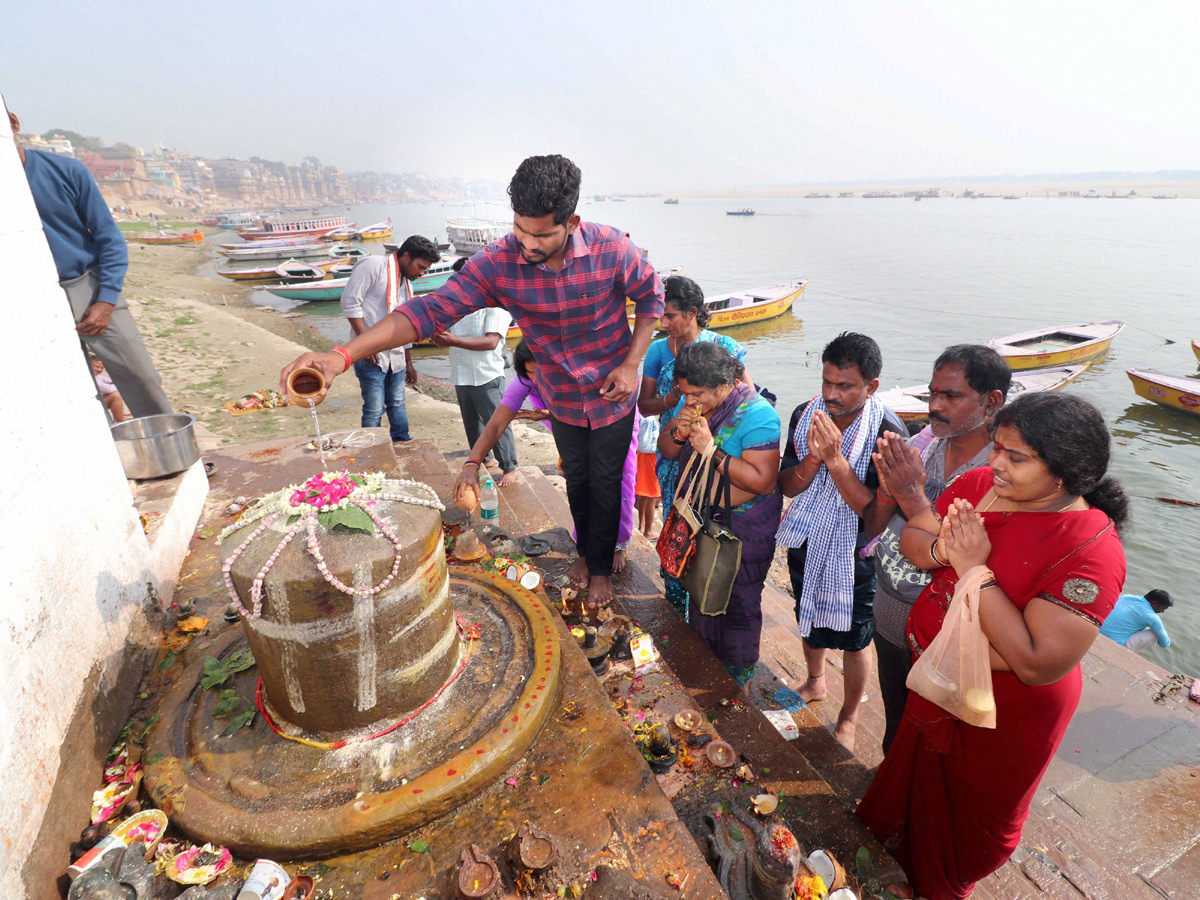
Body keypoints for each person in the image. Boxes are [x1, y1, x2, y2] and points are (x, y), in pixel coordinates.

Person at [281, 155, 664, 608]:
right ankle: (586, 554)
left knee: (606, 482)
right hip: (561, 397)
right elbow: (428, 312)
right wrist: (342, 356)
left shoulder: (613, 248)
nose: (527, 243)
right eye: (520, 229)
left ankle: (600, 568)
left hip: (612, 397)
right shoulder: (500, 262)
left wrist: (632, 363)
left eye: (541, 234)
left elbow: (651, 296)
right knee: (578, 481)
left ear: (572, 221)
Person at [857, 393, 1129, 900]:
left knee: (967, 825)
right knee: (912, 788)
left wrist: (972, 569)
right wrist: (944, 549)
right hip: (938, 678)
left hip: (1004, 714)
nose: (996, 463)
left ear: (1065, 473)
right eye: (997, 447)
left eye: (1016, 457)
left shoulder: (1090, 550)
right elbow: (918, 540)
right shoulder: (980, 485)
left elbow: (1035, 661)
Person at [869, 344, 1011, 752]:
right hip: (889, 612)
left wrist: (911, 494)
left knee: (933, 734)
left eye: (951, 396)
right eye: (932, 393)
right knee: (894, 719)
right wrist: (886, 490)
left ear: (992, 401)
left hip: (940, 631)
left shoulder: (998, 476)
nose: (935, 405)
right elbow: (874, 530)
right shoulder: (924, 447)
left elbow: (967, 558)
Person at [775, 332, 904, 751]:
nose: (832, 394)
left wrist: (834, 459)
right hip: (808, 533)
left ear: (871, 387)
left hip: (857, 550)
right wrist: (813, 457)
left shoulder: (887, 434)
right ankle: (815, 681)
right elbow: (788, 487)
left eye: (845, 386)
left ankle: (849, 716)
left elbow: (874, 516)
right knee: (807, 612)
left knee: (856, 636)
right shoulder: (805, 414)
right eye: (827, 382)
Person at [11, 110, 172, 418]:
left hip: (87, 286)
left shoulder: (66, 170)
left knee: (141, 379)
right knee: (70, 392)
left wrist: (106, 300)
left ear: (13, 123)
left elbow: (110, 239)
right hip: (26, 298)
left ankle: (178, 457)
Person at [657, 342, 782, 686]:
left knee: (737, 600)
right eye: (685, 393)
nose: (690, 400)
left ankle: (736, 677)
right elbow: (667, 451)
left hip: (742, 528)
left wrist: (711, 450)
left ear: (725, 387)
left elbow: (762, 479)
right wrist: (680, 431)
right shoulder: (693, 400)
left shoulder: (758, 416)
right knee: (702, 590)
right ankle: (703, 661)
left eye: (697, 394)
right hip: (702, 518)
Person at [638, 275, 750, 617]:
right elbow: (644, 405)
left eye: (670, 315)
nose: (663, 322)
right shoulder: (658, 351)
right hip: (674, 454)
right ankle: (677, 603)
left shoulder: (725, 348)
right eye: (660, 315)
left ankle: (708, 598)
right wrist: (675, 400)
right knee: (679, 522)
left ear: (692, 313)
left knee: (710, 524)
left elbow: (748, 400)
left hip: (714, 454)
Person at [471, 341, 638, 570]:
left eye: (541, 371)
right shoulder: (525, 380)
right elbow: (497, 423)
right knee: (580, 484)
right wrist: (472, 463)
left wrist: (550, 414)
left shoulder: (577, 372)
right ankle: (585, 545)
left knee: (619, 480)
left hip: (613, 417)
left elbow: (596, 406)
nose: (537, 378)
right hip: (572, 428)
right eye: (530, 372)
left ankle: (620, 543)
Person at [338, 235, 440, 442]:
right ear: (406, 256)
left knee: (397, 403)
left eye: (425, 270)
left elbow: (406, 323)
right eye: (420, 267)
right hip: (370, 356)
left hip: (397, 357)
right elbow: (350, 303)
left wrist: (409, 362)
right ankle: (370, 450)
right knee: (374, 409)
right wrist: (365, 344)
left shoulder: (405, 282)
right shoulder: (374, 265)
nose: (421, 274)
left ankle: (403, 444)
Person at [431, 257, 517, 484]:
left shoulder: (494, 306)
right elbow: (442, 326)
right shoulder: (456, 304)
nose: (459, 285)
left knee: (495, 421)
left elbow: (491, 342)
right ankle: (485, 457)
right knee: (471, 422)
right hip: (462, 372)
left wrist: (454, 341)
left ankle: (509, 467)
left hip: (486, 372)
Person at [1099, 589, 1172, 652]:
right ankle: (1124, 653)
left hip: (1097, 632)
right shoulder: (1151, 616)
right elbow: (1164, 643)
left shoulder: (1126, 597)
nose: (1162, 612)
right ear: (1154, 603)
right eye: (1163, 608)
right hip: (1112, 645)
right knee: (1154, 633)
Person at [634, 412, 661, 539]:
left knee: (643, 492)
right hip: (651, 456)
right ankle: (648, 531)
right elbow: (645, 444)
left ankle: (642, 525)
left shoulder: (643, 414)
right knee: (652, 495)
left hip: (644, 456)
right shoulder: (649, 418)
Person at [90, 356, 130, 423]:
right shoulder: (90, 378)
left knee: (115, 395)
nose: (99, 369)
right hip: (89, 407)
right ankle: (121, 423)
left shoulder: (96, 376)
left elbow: (106, 380)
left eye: (102, 368)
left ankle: (118, 420)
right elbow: (109, 389)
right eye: (97, 366)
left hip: (94, 402)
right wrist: (123, 386)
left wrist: (121, 381)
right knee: (115, 395)